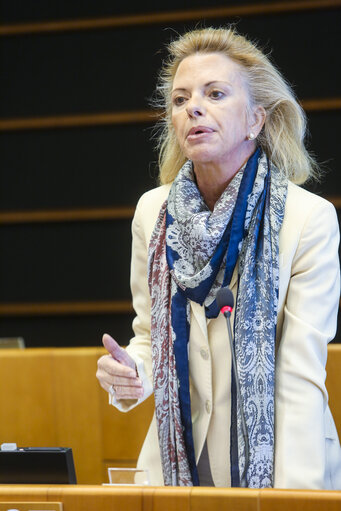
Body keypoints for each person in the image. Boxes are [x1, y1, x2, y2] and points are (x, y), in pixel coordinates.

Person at [96, 27, 341, 489]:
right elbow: (151, 338)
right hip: (178, 466)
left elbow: (300, 371)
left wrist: (293, 497)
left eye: (215, 94)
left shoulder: (308, 219)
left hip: (283, 464)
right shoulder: (154, 212)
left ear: (255, 119)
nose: (194, 107)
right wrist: (132, 374)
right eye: (180, 98)